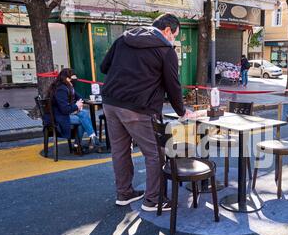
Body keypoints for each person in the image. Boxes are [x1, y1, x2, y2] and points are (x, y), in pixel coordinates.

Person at [100, 13, 193, 209]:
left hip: (110, 102)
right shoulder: (165, 50)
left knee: (119, 150)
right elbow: (173, 85)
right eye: (174, 35)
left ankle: (124, 193)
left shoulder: (123, 38)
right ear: (167, 30)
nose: (173, 39)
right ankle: (153, 199)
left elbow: (104, 67)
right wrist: (181, 111)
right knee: (155, 153)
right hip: (138, 108)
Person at [43, 68, 100, 151]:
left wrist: (79, 103)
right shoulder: (61, 89)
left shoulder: (68, 87)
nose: (76, 79)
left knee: (84, 114)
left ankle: (79, 144)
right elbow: (64, 109)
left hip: (64, 114)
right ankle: (90, 139)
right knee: (83, 118)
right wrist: (76, 106)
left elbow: (79, 97)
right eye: (74, 77)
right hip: (58, 118)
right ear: (67, 78)